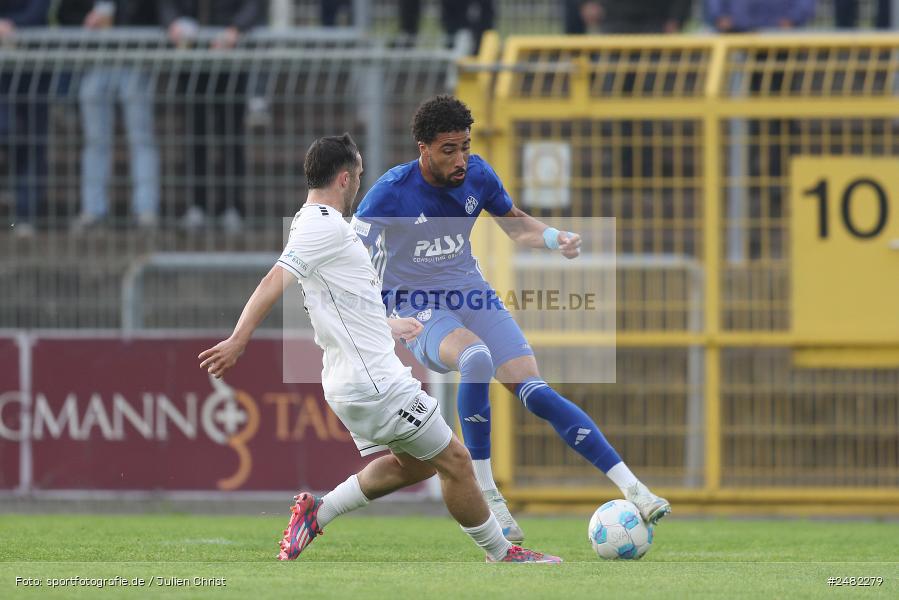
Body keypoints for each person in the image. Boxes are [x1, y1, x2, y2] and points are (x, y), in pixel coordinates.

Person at [197, 133, 561, 563]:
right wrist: (239, 339)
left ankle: (318, 512)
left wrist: (386, 323)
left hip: (349, 381)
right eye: (359, 177)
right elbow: (272, 280)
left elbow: (338, 300)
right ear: (346, 178)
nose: (360, 187)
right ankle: (503, 553)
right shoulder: (324, 225)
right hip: (377, 384)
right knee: (457, 462)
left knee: (418, 464)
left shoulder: (307, 221)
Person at [352, 96, 671, 543]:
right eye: (449, 150)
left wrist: (557, 237)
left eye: (465, 146)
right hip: (416, 305)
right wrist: (378, 316)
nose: (461, 159)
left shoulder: (477, 174)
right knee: (477, 359)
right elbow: (350, 255)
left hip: (470, 292)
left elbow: (517, 225)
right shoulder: (391, 191)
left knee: (536, 393)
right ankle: (487, 493)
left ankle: (635, 489)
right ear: (423, 148)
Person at [161, 0, 265, 232]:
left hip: (231, 62)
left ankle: (232, 206)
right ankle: (197, 205)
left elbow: (253, 7)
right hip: (192, 63)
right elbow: (167, 7)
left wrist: (235, 29)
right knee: (194, 137)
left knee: (231, 137)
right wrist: (172, 24)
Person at [67, 0, 161, 230]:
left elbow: (152, 11)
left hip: (134, 57)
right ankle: (93, 209)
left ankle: (146, 208)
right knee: (95, 140)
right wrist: (83, 21)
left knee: (141, 138)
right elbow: (65, 12)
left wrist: (119, 17)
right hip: (96, 60)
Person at [0, 0, 52, 237]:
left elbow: (40, 9)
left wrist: (12, 26)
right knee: (8, 130)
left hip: (33, 64)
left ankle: (24, 214)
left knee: (31, 140)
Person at [564, 0, 691, 34]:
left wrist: (677, 18)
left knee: (653, 87)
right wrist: (585, 4)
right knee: (610, 87)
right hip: (612, 20)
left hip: (656, 23)